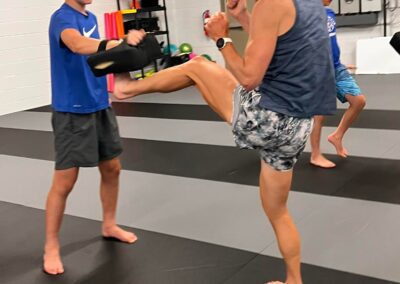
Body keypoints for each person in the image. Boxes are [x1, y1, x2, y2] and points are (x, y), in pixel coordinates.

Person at [112, 0, 336, 282]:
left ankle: (126, 88)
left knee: (199, 67)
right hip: (298, 127)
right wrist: (242, 14)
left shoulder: (272, 2)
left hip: (269, 120)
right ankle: (294, 280)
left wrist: (220, 37)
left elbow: (249, 77)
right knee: (278, 212)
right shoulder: (311, 4)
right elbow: (274, 38)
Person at [44, 0, 145, 275]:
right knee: (65, 181)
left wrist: (124, 56)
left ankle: (109, 224)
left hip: (100, 103)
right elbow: (76, 44)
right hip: (71, 110)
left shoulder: (91, 18)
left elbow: (100, 59)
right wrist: (115, 42)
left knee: (112, 168)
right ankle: (51, 245)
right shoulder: (61, 18)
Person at [309, 0, 367, 168]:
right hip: (318, 70)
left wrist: (339, 61)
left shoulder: (329, 13)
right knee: (319, 115)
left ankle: (337, 136)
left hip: (336, 66)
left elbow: (331, 42)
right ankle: (315, 155)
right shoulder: (306, 15)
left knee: (359, 101)